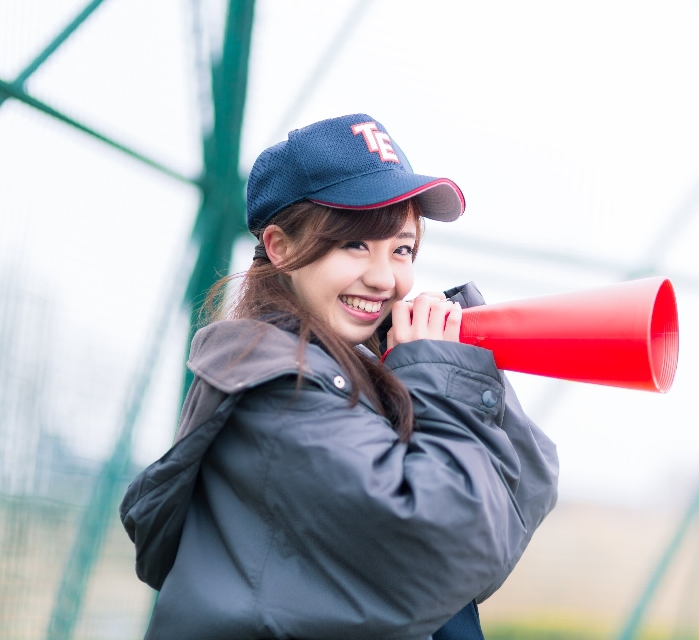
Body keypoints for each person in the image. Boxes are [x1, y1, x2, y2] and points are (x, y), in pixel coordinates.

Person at [120, 114, 559, 640]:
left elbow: (522, 493)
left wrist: (456, 359)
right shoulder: (277, 389)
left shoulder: (352, 371)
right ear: (281, 247)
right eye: (355, 244)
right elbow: (449, 544)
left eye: (401, 249)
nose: (382, 278)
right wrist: (441, 379)